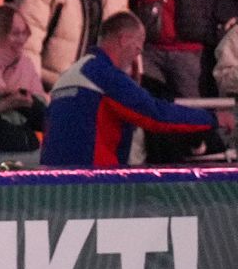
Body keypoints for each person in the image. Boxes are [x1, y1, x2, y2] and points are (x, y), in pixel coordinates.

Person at [41, 11, 230, 166]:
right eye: (138, 47)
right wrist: (213, 118)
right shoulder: (105, 76)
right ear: (124, 39)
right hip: (94, 187)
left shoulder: (68, 75)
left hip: (57, 185)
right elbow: (156, 115)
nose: (137, 55)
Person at [0, 3, 47, 155]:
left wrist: (30, 104)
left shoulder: (25, 64)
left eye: (24, 33)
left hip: (25, 153)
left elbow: (44, 119)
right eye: (15, 34)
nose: (22, 39)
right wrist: (0, 106)